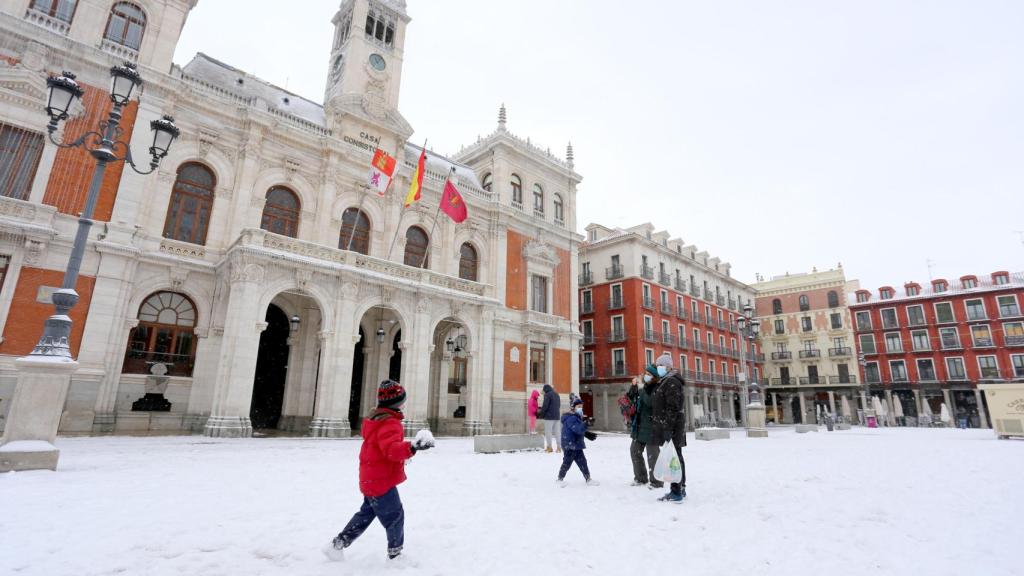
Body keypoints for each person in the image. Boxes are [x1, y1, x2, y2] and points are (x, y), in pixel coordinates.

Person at [326, 379, 432, 562]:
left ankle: (338, 544)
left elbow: (381, 449)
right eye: (403, 400)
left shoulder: (376, 419)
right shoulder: (390, 422)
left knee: (367, 513)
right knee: (395, 516)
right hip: (381, 480)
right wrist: (412, 447)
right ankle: (395, 554)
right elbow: (391, 450)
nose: (404, 403)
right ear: (396, 402)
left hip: (370, 476)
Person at [651, 353, 687, 502]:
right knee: (675, 457)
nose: (658, 368)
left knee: (674, 459)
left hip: (673, 427)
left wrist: (667, 429)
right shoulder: (666, 381)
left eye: (660, 365)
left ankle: (676, 491)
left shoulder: (671, 381)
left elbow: (672, 408)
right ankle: (680, 488)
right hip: (673, 426)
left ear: (668, 367)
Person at [630, 365, 663, 489]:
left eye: (649, 374)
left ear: (654, 377)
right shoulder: (644, 387)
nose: (646, 375)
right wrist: (634, 388)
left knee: (653, 455)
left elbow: (650, 402)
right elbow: (633, 399)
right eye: (645, 373)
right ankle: (641, 478)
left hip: (652, 427)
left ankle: (657, 482)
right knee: (634, 451)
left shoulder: (657, 388)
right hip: (640, 425)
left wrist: (641, 390)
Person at [557, 397, 598, 486]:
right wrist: (586, 423)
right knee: (567, 463)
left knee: (583, 462)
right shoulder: (571, 418)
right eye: (578, 406)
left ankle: (588, 479)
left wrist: (586, 433)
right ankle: (560, 479)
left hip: (576, 444)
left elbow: (577, 430)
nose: (580, 408)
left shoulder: (576, 417)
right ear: (573, 408)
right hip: (570, 445)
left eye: (581, 406)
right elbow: (578, 429)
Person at [539, 383, 561, 453]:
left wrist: (541, 414)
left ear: (545, 389)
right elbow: (559, 405)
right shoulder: (557, 394)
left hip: (549, 417)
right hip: (557, 416)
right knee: (557, 432)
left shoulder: (547, 395)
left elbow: (545, 406)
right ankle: (559, 448)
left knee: (548, 432)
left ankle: (549, 447)